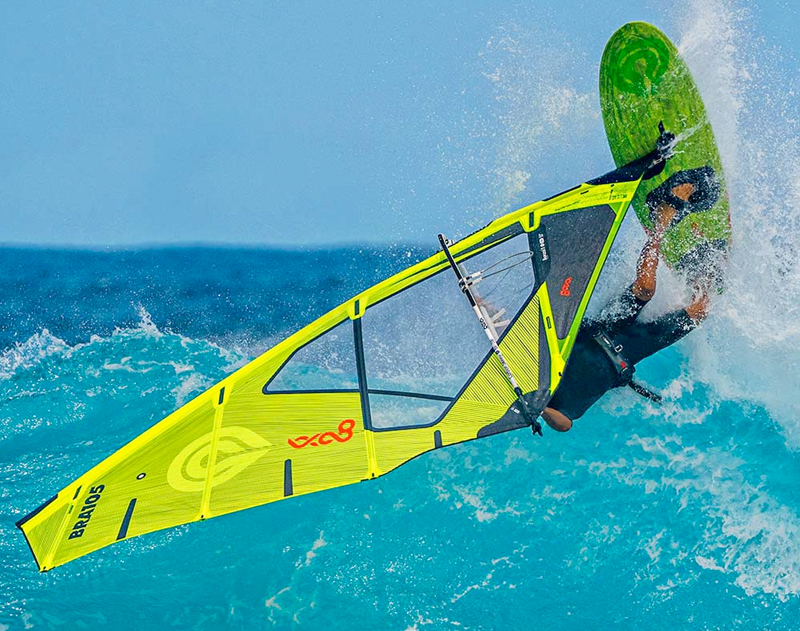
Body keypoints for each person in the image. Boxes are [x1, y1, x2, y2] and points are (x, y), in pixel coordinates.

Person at [541, 166, 720, 432]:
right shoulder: (547, 401)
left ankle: (662, 217)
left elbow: (510, 327)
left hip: (604, 329)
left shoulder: (537, 368)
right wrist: (538, 408)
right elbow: (564, 425)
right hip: (630, 352)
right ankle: (702, 263)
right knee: (700, 311)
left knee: (645, 289)